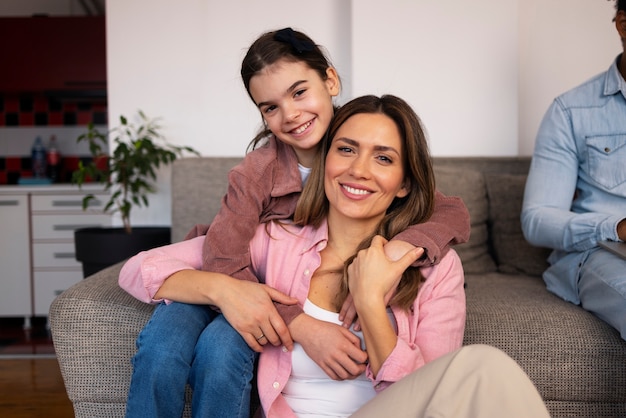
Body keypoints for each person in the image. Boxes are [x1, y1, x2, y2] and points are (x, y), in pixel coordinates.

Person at [121, 94, 549, 417]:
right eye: (346, 149)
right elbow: (141, 268)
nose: (359, 170)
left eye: (383, 158)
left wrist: (369, 300)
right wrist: (226, 289)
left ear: (403, 184)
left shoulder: (435, 269)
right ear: (325, 160)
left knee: (482, 369)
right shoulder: (273, 240)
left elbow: (434, 394)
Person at [122, 28, 470, 418]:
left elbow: (449, 210)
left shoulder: (358, 129)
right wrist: (287, 318)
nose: (291, 115)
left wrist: (396, 255)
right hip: (231, 268)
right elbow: (213, 259)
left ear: (331, 81)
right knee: (168, 346)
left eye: (299, 92)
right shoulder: (259, 179)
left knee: (220, 345)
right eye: (270, 107)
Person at [521, 1, 626, 339]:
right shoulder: (571, 111)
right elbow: (537, 220)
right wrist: (618, 227)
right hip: (603, 253)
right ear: (623, 25)